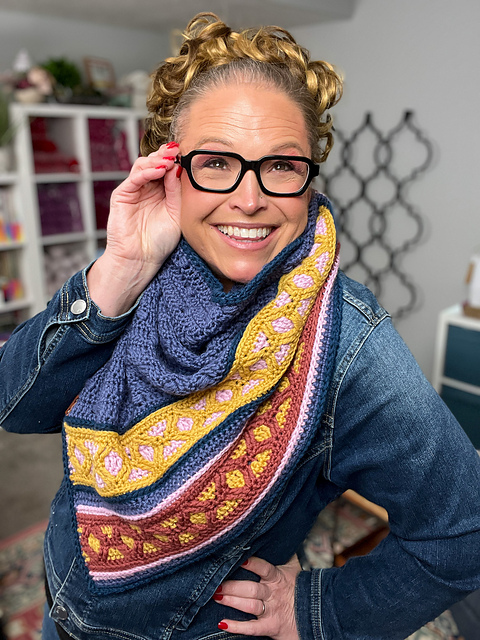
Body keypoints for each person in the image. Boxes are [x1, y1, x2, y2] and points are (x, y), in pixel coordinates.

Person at [0, 12, 479, 640]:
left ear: (308, 177)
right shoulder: (139, 272)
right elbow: (17, 406)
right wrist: (121, 269)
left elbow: (462, 533)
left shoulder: (347, 349)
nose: (249, 199)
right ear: (172, 169)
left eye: (280, 165)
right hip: (62, 610)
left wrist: (318, 610)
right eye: (217, 162)